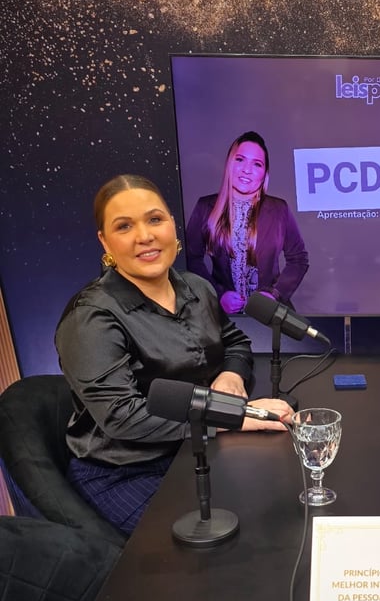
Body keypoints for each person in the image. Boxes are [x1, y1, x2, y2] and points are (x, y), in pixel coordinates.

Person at [55, 174, 294, 536]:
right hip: (127, 470)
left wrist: (230, 376)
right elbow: (123, 417)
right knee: (225, 545)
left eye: (154, 219)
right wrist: (233, 416)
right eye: (124, 226)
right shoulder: (90, 317)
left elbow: (235, 342)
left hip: (194, 447)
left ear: (172, 224)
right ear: (105, 241)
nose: (144, 236)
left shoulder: (196, 287)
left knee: (276, 507)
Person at [185, 131, 309, 314]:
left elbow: (298, 259)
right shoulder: (205, 207)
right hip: (222, 317)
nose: (247, 170)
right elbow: (190, 258)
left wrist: (274, 295)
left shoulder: (279, 209)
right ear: (229, 163)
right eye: (240, 160)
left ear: (264, 173)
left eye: (257, 164)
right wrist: (217, 295)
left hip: (269, 316)